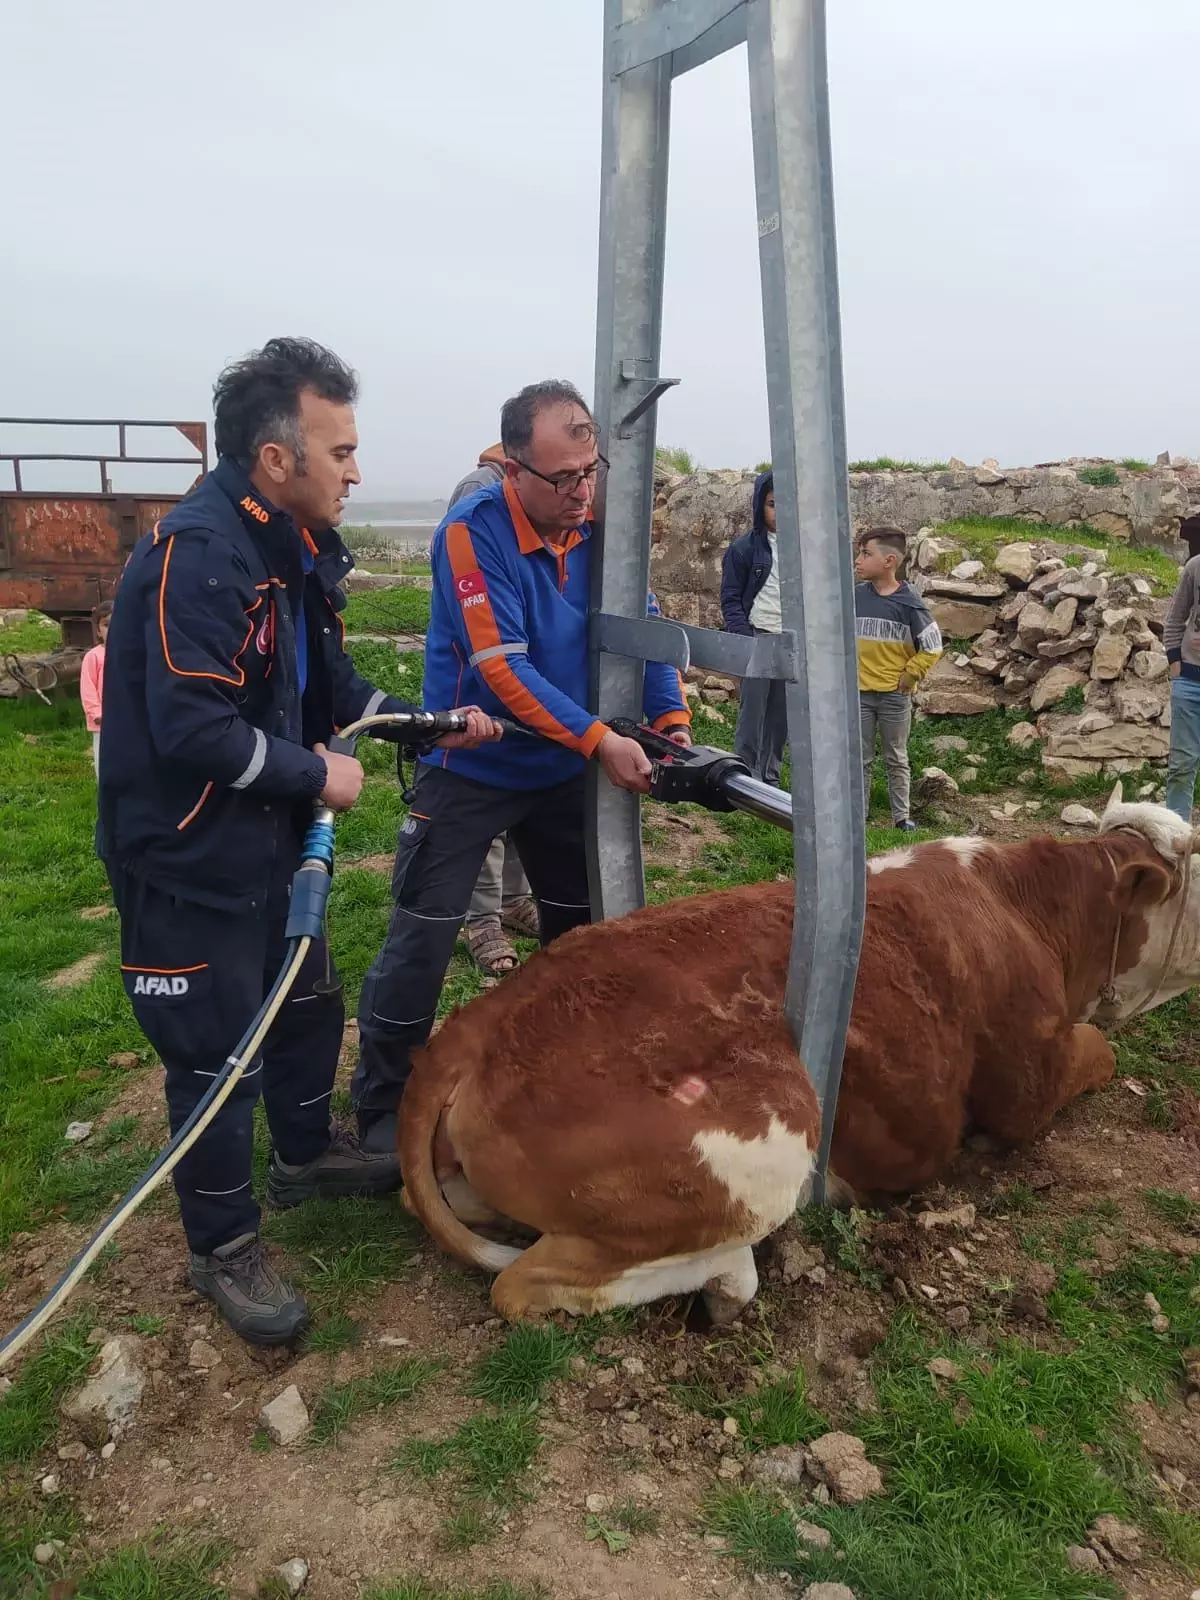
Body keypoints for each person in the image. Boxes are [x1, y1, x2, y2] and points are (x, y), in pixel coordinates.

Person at [97, 337, 497, 1345]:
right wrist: (322, 774)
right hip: (189, 857)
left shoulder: (293, 549)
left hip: (272, 842)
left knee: (303, 998)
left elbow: (327, 689)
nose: (357, 471)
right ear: (279, 459)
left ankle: (306, 1151)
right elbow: (193, 728)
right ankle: (223, 1246)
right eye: (343, 450)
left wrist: (425, 722)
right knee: (215, 1055)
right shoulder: (199, 555)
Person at [352, 379, 692, 1151]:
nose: (581, 492)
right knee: (423, 938)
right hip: (475, 765)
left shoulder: (602, 521)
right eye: (561, 478)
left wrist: (668, 713)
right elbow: (501, 668)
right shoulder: (473, 532)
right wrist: (602, 741)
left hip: (560, 766)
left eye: (590, 470)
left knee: (578, 935)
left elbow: (643, 619)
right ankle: (380, 1109)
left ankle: (567, 1073)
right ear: (512, 467)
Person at [448, 446, 539, 978]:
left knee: (527, 795)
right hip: (485, 677)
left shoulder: (563, 504)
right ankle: (482, 920)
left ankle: (514, 900)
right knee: (487, 796)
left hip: (532, 673)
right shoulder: (476, 499)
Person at [853, 526, 943, 831]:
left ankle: (901, 817)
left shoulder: (909, 603)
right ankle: (858, 815)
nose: (858, 560)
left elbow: (933, 645)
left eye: (866, 554)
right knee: (860, 758)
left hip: (894, 695)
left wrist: (910, 674)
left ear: (889, 561)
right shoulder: (854, 598)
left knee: (895, 757)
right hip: (859, 693)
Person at [721, 471, 788, 786]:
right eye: (774, 504)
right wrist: (744, 639)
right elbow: (731, 599)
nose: (780, 512)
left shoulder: (805, 551)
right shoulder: (744, 548)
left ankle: (770, 777)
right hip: (758, 637)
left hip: (788, 640)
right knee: (753, 712)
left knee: (781, 713)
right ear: (760, 506)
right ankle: (745, 773)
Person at [1162, 546, 1200, 820]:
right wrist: (1175, 662)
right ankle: (1175, 839)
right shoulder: (1195, 566)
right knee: (1181, 765)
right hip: (1189, 681)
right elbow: (1175, 617)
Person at [80, 601, 112, 775]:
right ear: (99, 630)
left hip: (128, 720)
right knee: (104, 764)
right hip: (104, 723)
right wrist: (97, 714)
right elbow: (88, 689)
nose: (112, 630)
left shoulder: (131, 654)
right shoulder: (94, 657)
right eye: (106, 625)